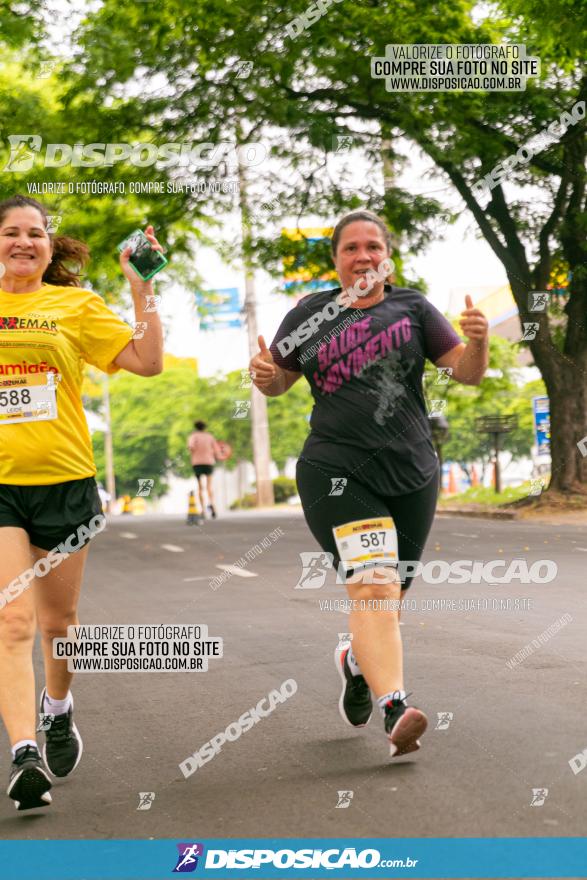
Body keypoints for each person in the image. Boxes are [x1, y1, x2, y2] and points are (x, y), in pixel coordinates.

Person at [249, 209, 488, 758]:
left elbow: (466, 372)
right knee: (375, 586)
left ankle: (357, 661)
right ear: (335, 260)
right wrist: (266, 376)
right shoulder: (310, 313)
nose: (363, 256)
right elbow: (279, 379)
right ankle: (395, 708)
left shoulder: (413, 308)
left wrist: (477, 342)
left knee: (388, 599)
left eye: (372, 247)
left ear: (387, 256)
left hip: (412, 472)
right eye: (351, 248)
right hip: (335, 470)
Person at [0, 195, 164, 810]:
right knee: (11, 621)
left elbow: (147, 361)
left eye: (34, 233)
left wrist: (140, 287)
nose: (23, 242)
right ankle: (23, 755)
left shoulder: (76, 306)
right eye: (11, 233)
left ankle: (58, 707)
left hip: (65, 480)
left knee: (57, 625)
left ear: (49, 244)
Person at [187, 421, 222, 519]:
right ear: (204, 427)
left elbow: (191, 447)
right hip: (209, 462)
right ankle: (212, 506)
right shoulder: (209, 436)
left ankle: (202, 510)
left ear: (196, 427)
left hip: (197, 463)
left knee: (200, 487)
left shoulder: (193, 436)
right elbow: (217, 450)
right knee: (209, 486)